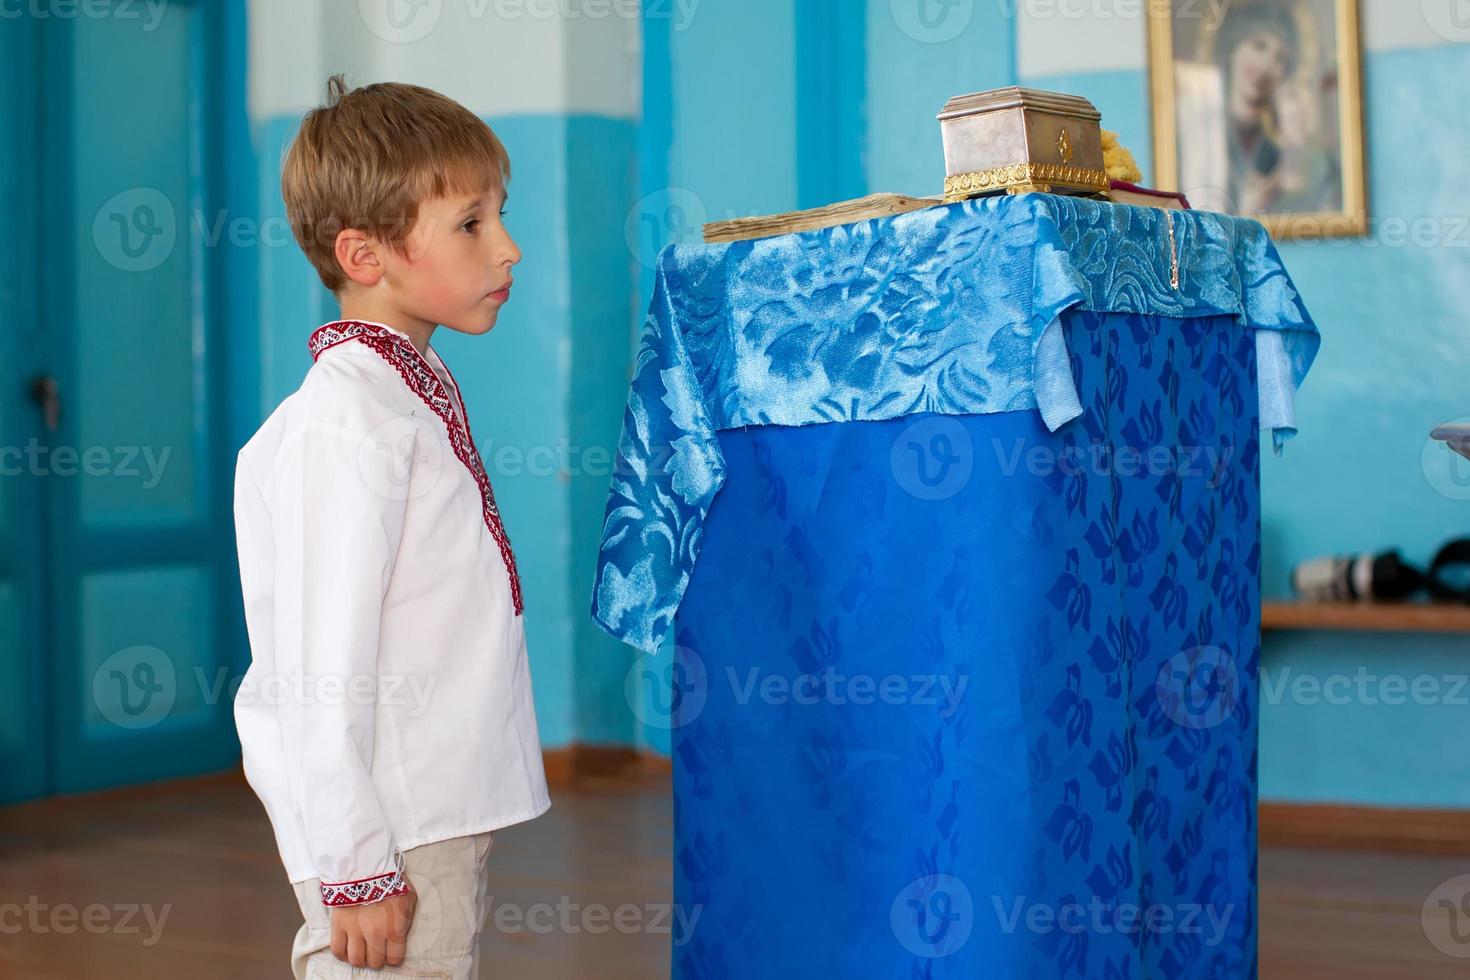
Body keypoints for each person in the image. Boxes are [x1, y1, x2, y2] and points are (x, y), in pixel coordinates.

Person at [232, 75, 550, 979]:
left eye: (500, 215)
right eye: (471, 224)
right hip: (393, 829)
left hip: (429, 813)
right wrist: (356, 865)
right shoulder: (349, 424)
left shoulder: (401, 394)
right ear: (366, 256)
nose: (509, 247)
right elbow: (315, 666)